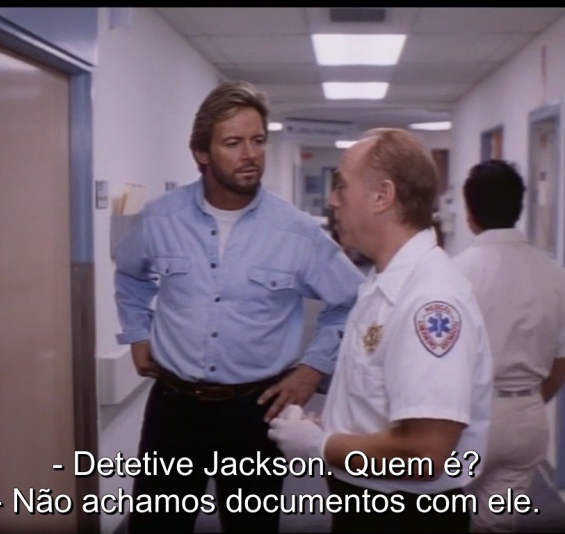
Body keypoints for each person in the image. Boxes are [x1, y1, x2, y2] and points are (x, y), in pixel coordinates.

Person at [112, 80, 365, 533]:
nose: (250, 154)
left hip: (255, 411)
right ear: (201, 152)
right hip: (175, 407)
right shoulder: (160, 218)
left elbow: (352, 301)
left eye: (258, 140)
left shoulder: (297, 232)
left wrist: (313, 368)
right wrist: (136, 333)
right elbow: (131, 274)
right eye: (233, 143)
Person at [267, 128, 493, 533]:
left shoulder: (430, 301)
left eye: (342, 185)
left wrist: (320, 445)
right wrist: (336, 427)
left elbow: (426, 453)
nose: (332, 200)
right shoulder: (384, 283)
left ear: (381, 196)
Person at [451, 159, 565, 533]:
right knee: (497, 524)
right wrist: (528, 400)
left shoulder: (454, 274)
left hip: (466, 417)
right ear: (518, 207)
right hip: (527, 417)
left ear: (469, 212)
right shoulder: (557, 275)